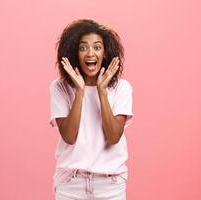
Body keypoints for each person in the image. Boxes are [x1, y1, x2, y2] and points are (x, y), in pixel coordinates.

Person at [49, 19, 134, 200]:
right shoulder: (60, 87)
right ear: (74, 53)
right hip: (71, 185)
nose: (90, 53)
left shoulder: (122, 88)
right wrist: (79, 92)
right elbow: (69, 137)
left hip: (110, 185)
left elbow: (113, 137)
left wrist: (101, 92)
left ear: (105, 53)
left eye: (97, 47)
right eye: (83, 48)